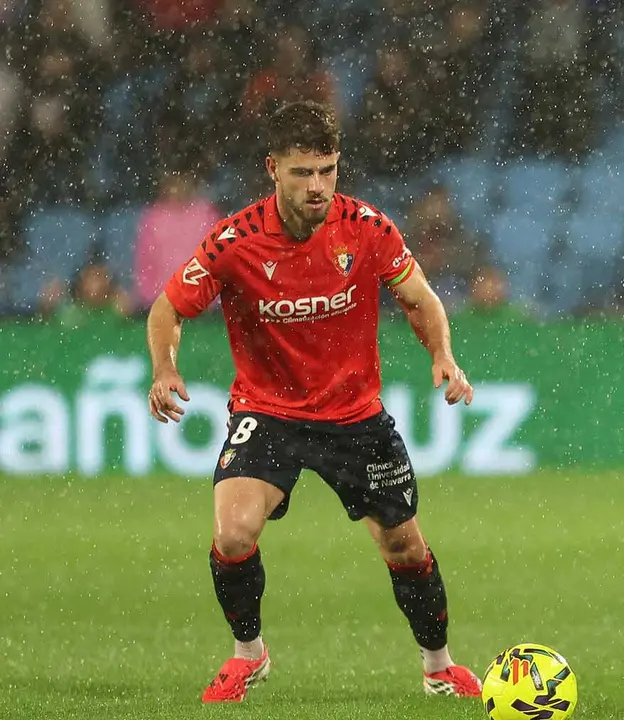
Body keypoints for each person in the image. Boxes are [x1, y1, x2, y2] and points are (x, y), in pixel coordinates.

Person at [144, 101, 482, 703]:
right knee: (233, 535)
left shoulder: (368, 228)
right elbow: (168, 307)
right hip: (268, 412)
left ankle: (438, 666)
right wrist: (165, 368)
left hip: (356, 417)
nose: (319, 186)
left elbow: (421, 299)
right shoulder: (235, 241)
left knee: (404, 544)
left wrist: (443, 357)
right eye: (303, 173)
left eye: (328, 170)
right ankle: (249, 653)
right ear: (272, 168)